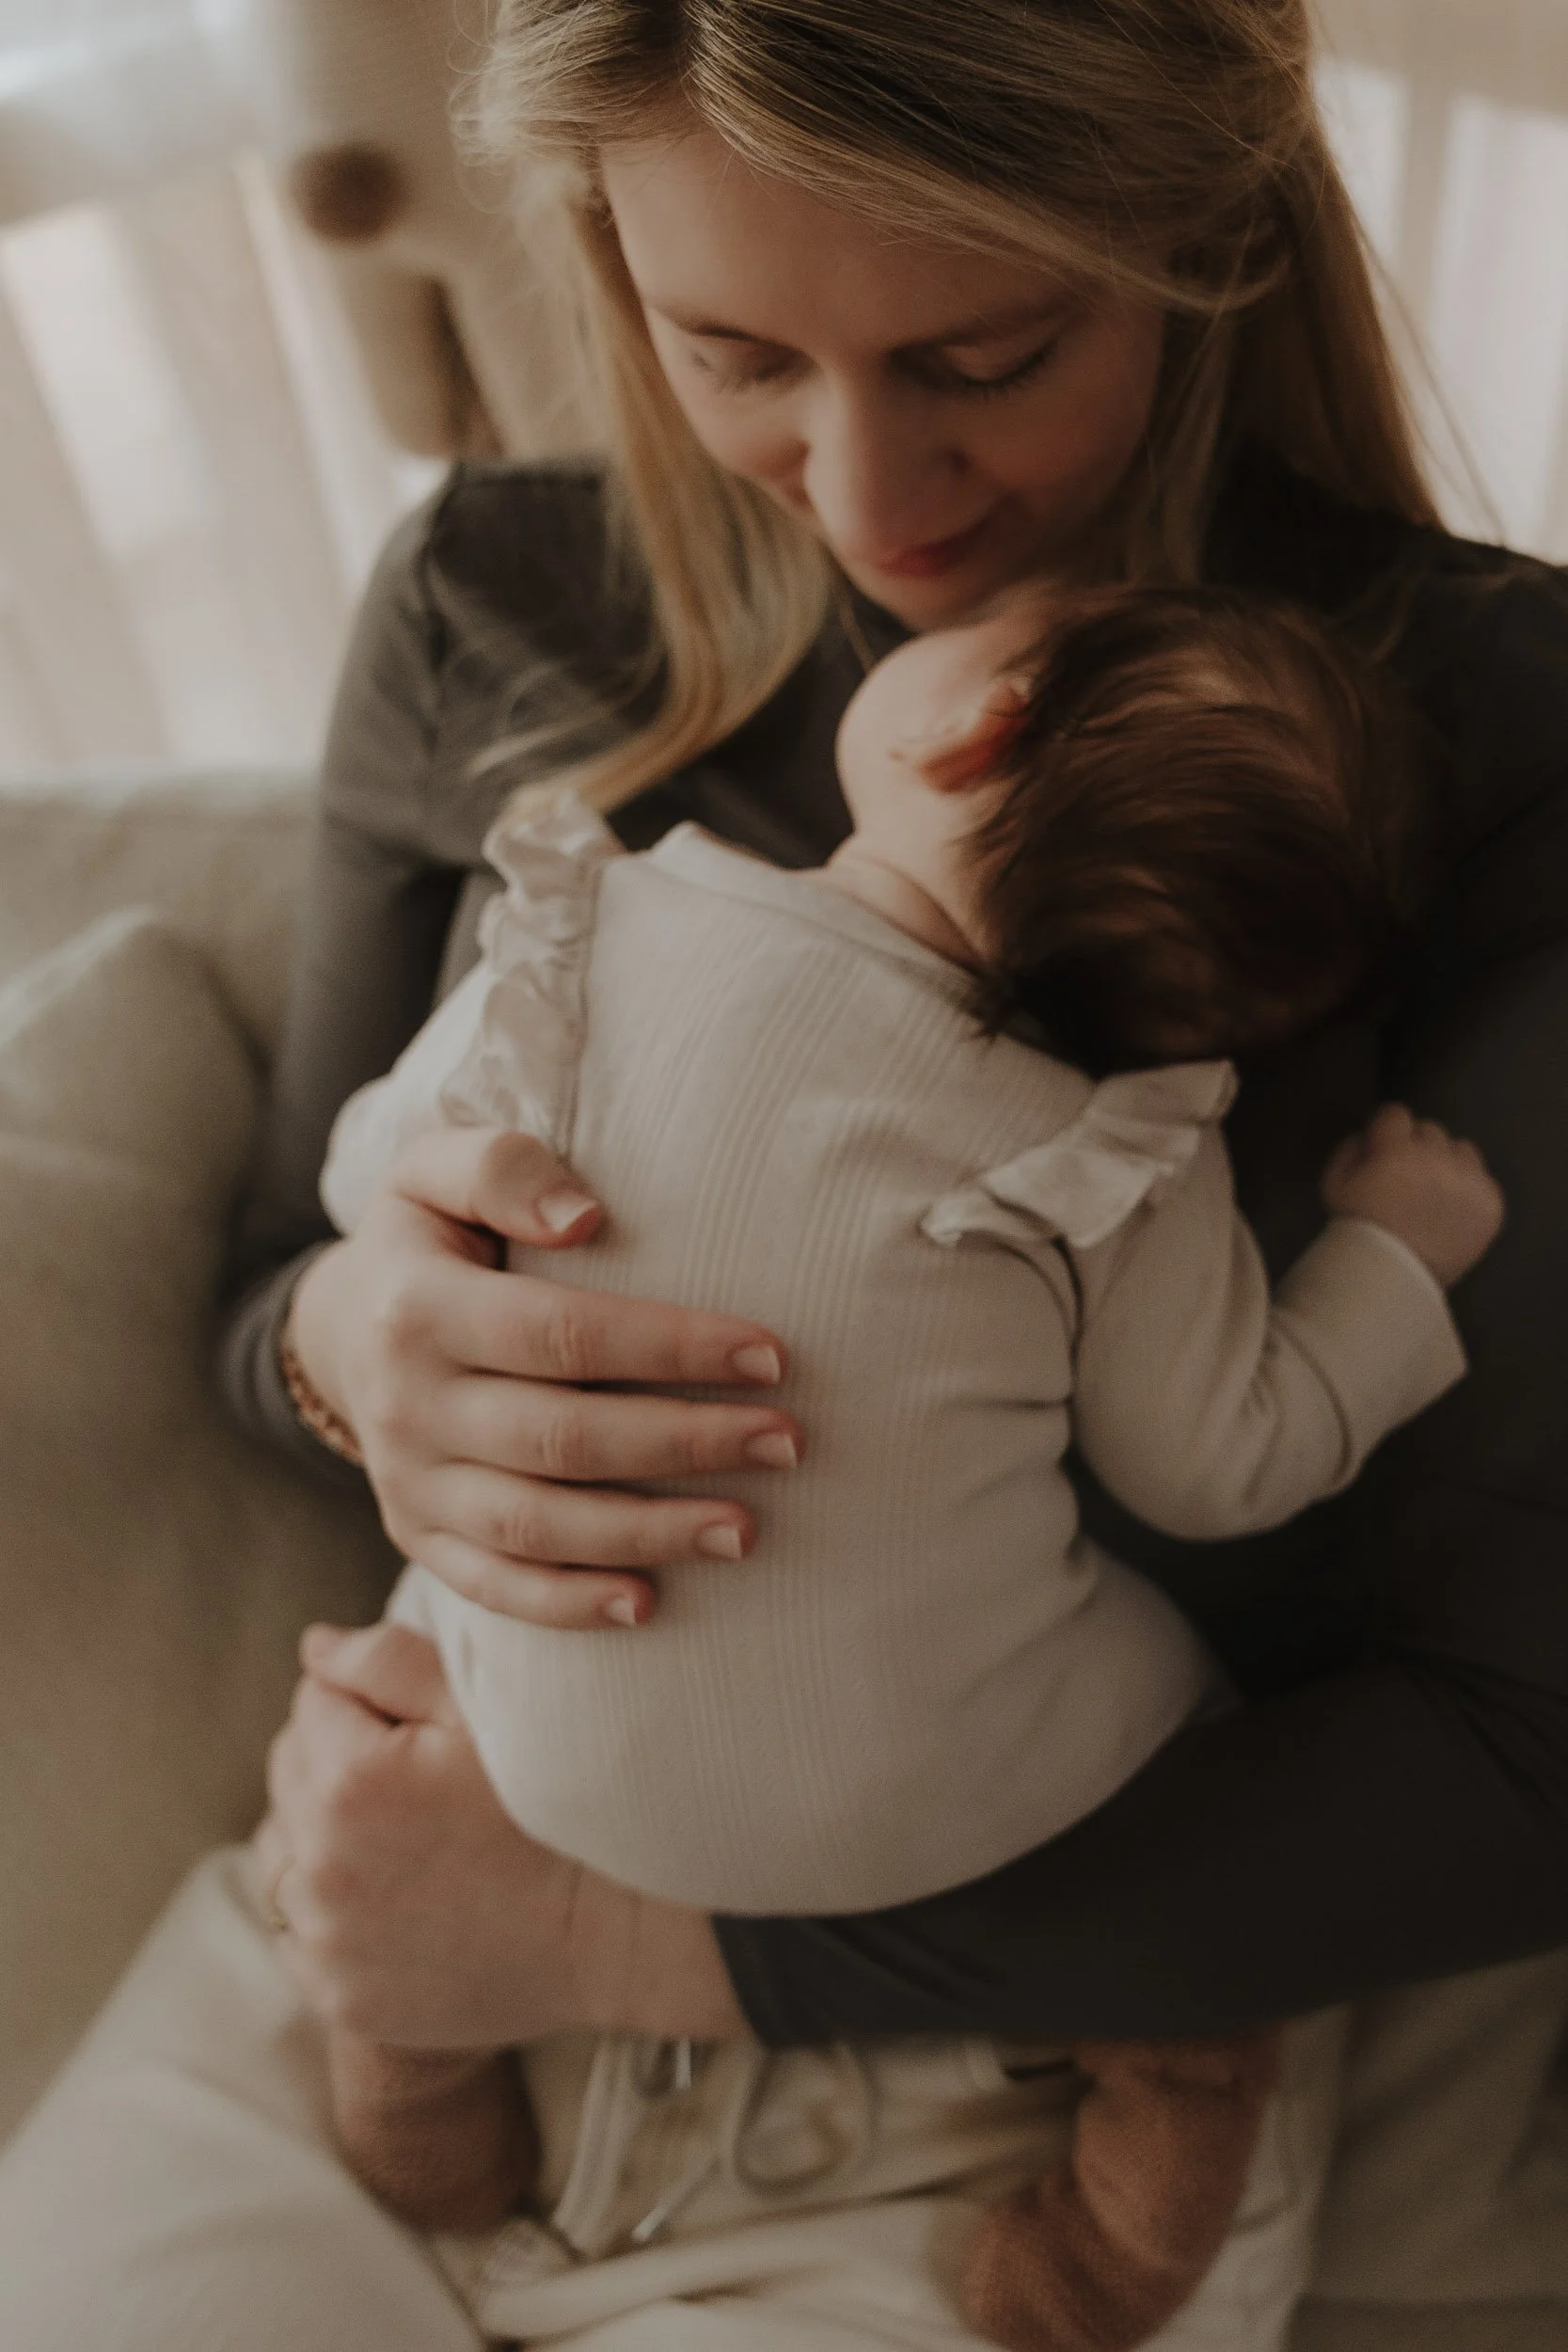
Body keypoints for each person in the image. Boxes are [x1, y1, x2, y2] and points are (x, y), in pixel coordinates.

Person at [0, 2, 1564, 2347]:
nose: (867, 499)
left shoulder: (1452, 731)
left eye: (985, 350)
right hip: (368, 1918)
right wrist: (358, 1345)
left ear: (1196, 227)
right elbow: (248, 1307)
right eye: (731, 352)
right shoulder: (485, 611)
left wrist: (628, 1944)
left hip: (1018, 2084)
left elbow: (1513, 1739)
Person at [315, 579, 1503, 2352]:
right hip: (953, 1830)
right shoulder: (1109, 1150)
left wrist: (375, 1279)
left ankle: (401, 2042)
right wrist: (1394, 1256)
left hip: (540, 1769)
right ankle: (1142, 2162)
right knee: (1202, 1732)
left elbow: (372, 1161)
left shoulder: (595, 937)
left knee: (424, 1599)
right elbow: (1225, 1465)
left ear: (971, 722)